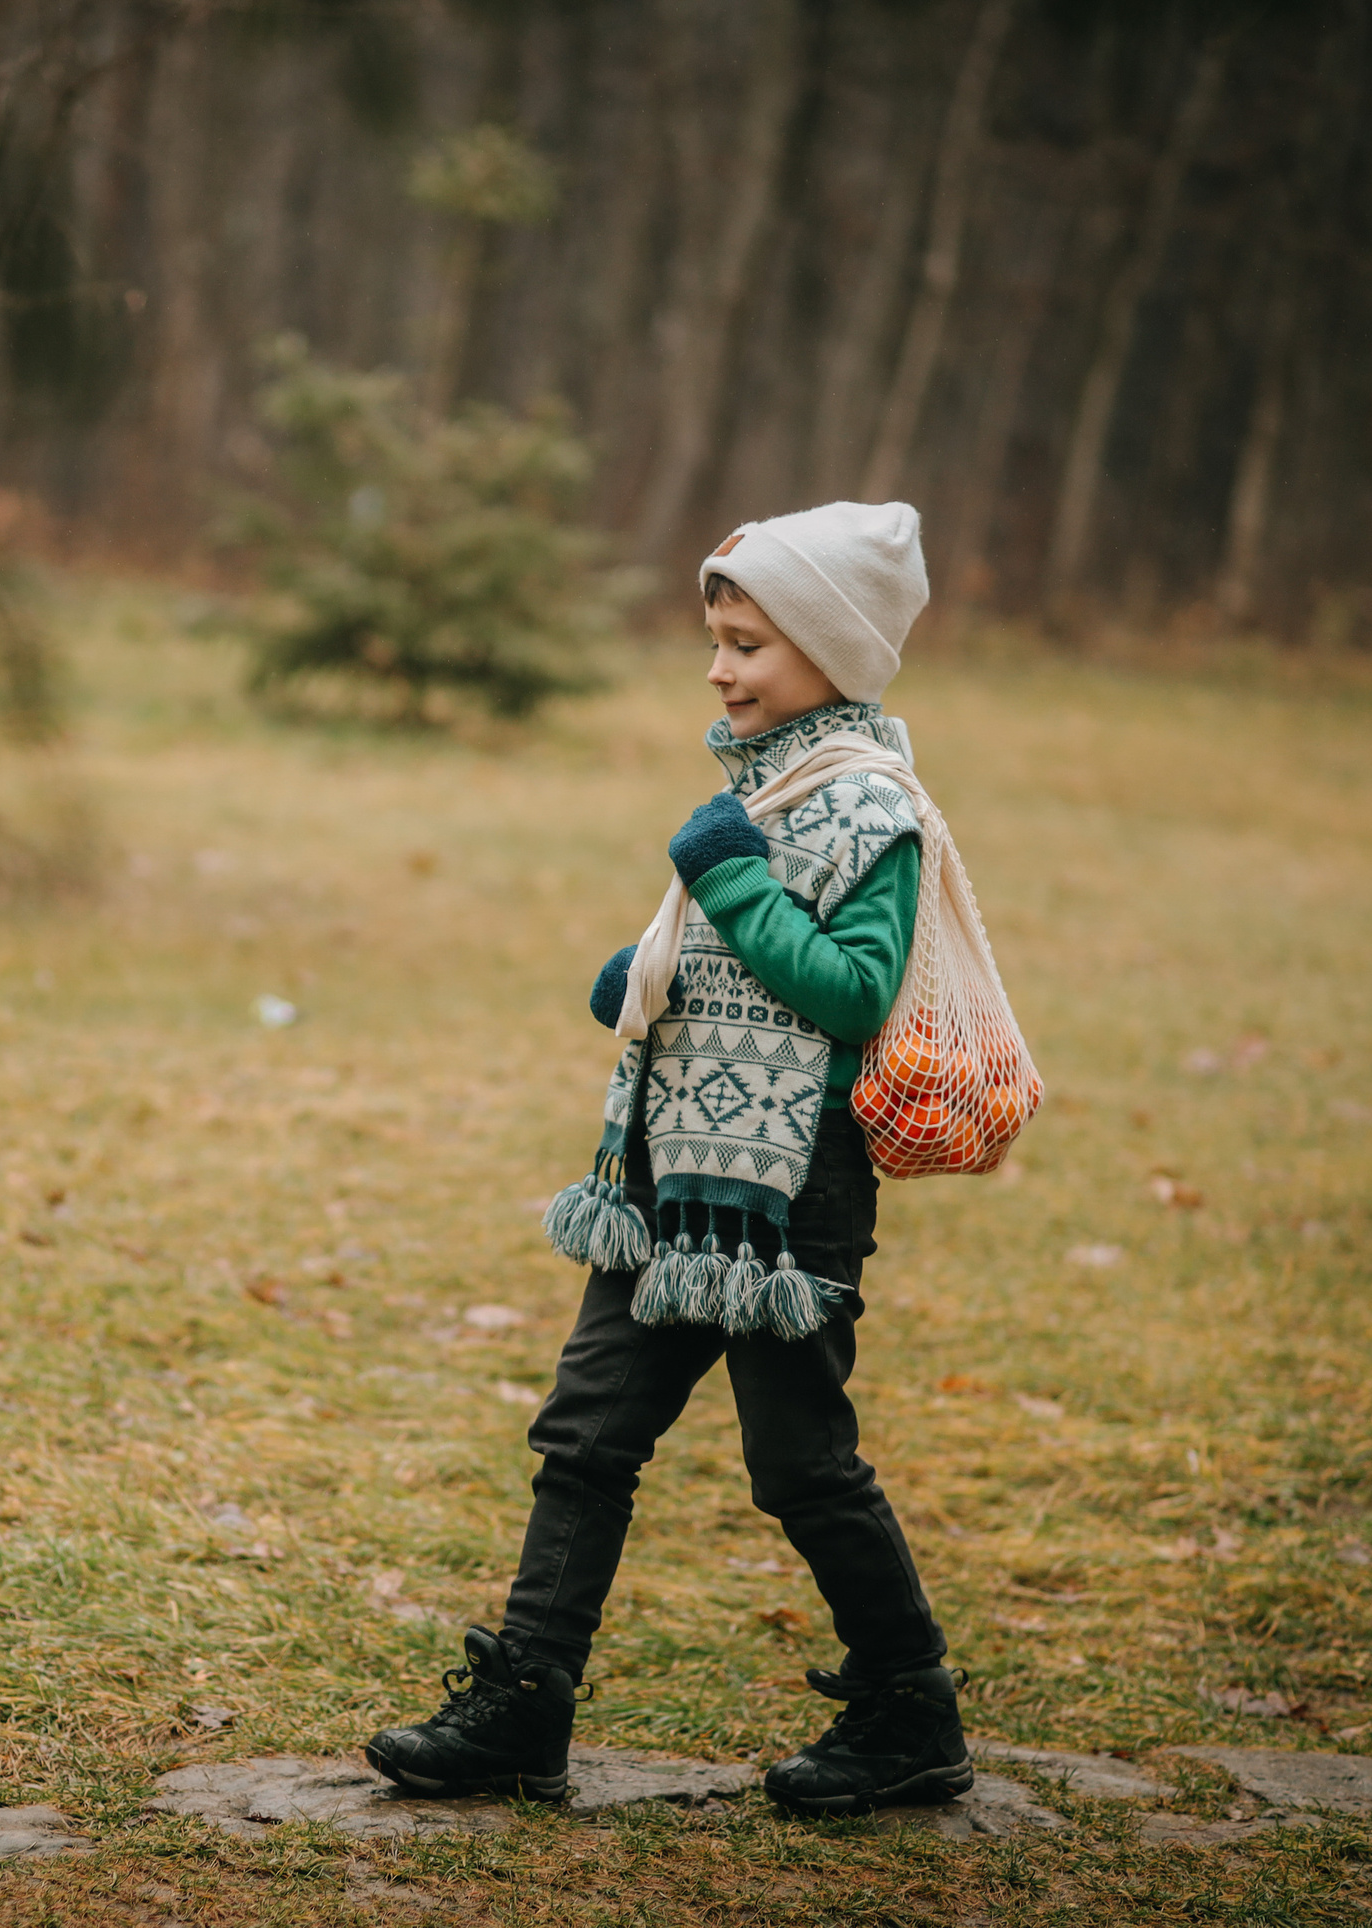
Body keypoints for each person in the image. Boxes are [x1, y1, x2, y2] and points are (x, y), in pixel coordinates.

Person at [362, 500, 968, 1816]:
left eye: (747, 645)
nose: (718, 670)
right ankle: (526, 1704)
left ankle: (910, 1707)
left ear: (829, 651)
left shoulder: (874, 810)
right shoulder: (761, 791)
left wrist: (730, 888)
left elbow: (852, 994)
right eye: (716, 641)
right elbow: (735, 959)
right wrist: (648, 972)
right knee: (586, 1433)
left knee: (801, 1465)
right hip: (665, 1176)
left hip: (788, 1200)